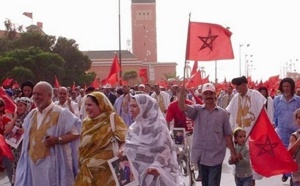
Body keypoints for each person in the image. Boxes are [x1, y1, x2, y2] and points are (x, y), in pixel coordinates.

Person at [15, 81, 81, 186]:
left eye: (39, 94)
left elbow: (76, 133)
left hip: (53, 166)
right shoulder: (32, 114)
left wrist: (57, 139)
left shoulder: (62, 113)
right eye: (34, 93)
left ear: (50, 95)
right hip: (33, 166)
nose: (35, 97)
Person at [179, 83, 237, 186]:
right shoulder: (197, 110)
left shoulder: (223, 113)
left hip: (216, 155)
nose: (209, 96)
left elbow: (227, 134)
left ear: (215, 95)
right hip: (201, 156)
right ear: (202, 96)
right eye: (206, 93)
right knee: (205, 183)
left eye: (211, 93)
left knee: (213, 183)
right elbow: (182, 107)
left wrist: (233, 152)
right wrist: (182, 94)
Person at [125, 94, 183, 185]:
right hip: (138, 177)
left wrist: (156, 166)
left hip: (157, 177)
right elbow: (129, 148)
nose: (131, 110)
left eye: (135, 106)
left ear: (146, 107)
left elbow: (166, 150)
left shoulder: (159, 128)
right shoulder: (134, 128)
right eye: (130, 106)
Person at [75, 92, 128, 186]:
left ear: (101, 105)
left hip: (108, 172)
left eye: (90, 105)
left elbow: (124, 138)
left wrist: (122, 149)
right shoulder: (86, 122)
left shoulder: (112, 118)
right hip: (87, 172)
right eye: (85, 105)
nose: (86, 108)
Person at [273, 77, 300, 183]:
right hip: (282, 132)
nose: (286, 88)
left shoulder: (298, 100)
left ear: (292, 87)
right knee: (284, 154)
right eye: (284, 86)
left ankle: (292, 176)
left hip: (295, 132)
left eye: (288, 86)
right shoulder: (276, 100)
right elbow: (274, 115)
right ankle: (286, 172)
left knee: (295, 155)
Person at [4, 97, 32, 185]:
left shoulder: (30, 118)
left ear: (27, 107)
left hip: (26, 151)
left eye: (21, 105)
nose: (18, 107)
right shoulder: (16, 118)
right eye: (17, 105)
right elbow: (7, 131)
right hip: (15, 152)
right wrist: (15, 117)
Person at [288, 108, 300, 186]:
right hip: (298, 174)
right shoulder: (294, 136)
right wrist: (298, 142)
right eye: (299, 117)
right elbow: (289, 153)